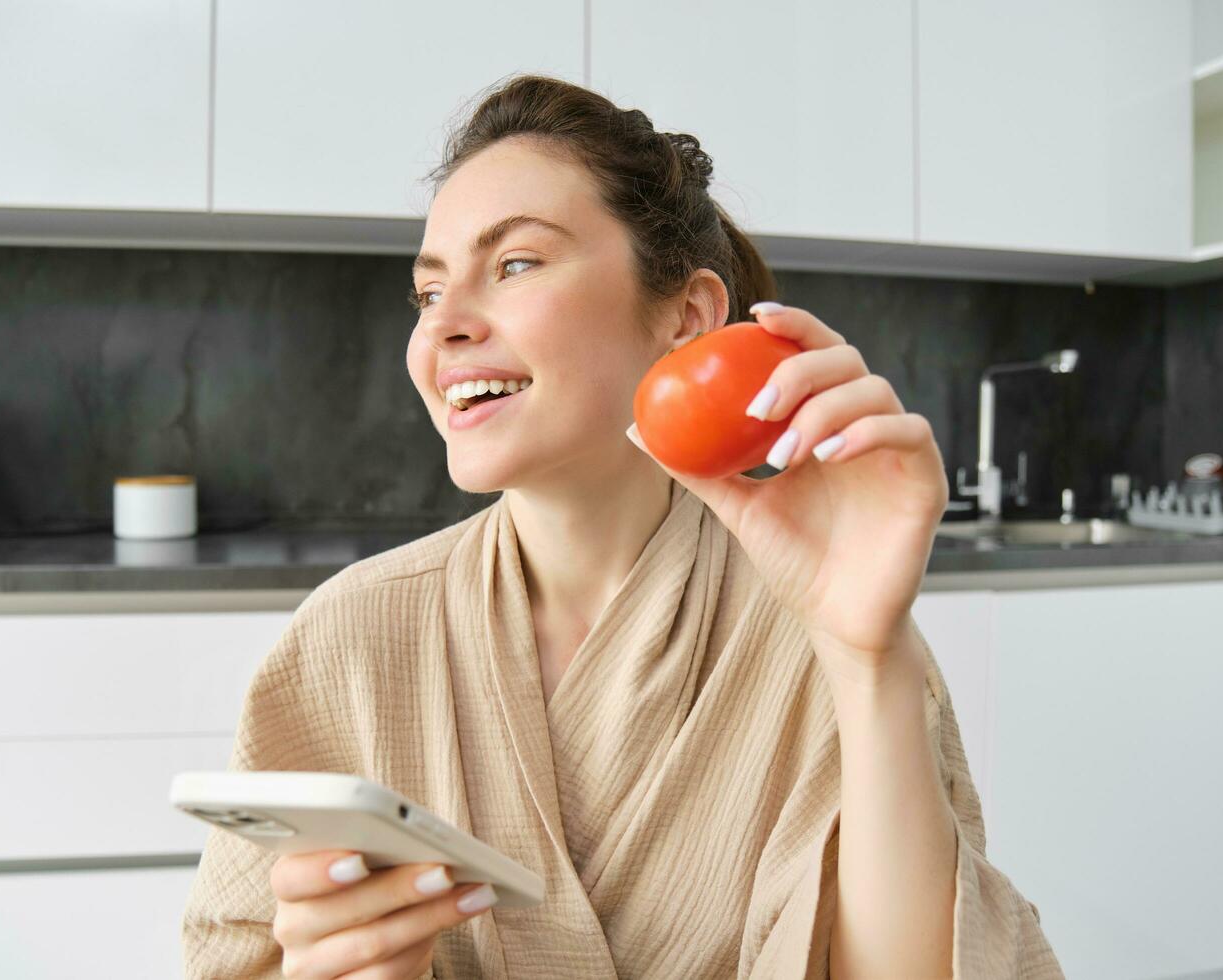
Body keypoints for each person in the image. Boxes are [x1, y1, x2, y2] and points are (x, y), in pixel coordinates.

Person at [182, 73, 1063, 979]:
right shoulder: (350, 640)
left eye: (515, 263)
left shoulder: (821, 631)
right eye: (427, 292)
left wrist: (870, 659)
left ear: (686, 319)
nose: (443, 328)